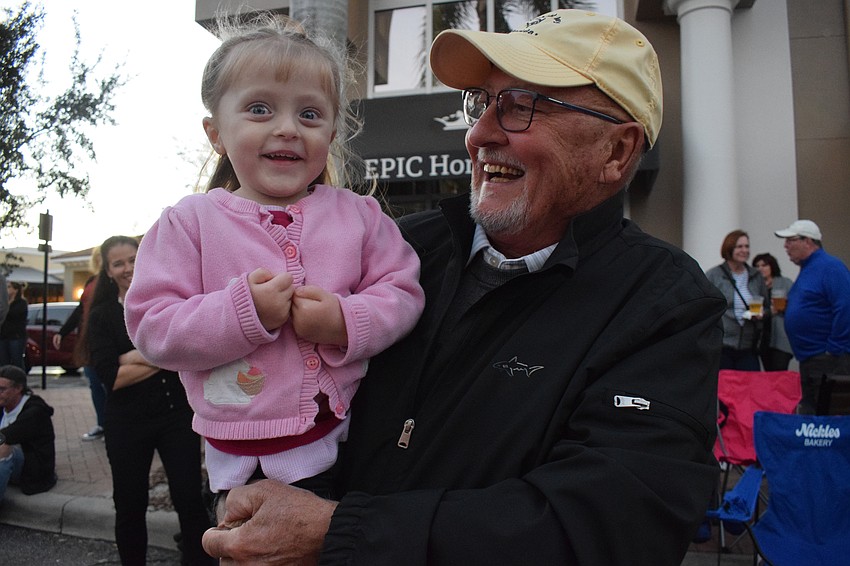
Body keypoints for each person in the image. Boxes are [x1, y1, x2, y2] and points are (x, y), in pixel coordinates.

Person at [202, 9, 727, 565]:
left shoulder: (663, 303)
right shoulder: (400, 250)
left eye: (522, 106)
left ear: (617, 153)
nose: (478, 133)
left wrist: (341, 533)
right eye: (483, 101)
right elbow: (274, 386)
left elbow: (615, 523)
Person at [124, 14, 424, 511]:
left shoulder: (360, 216)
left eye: (310, 114)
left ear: (331, 132)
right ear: (216, 132)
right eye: (260, 109)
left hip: (346, 444)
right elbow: (152, 326)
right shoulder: (188, 223)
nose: (287, 128)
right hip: (235, 461)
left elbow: (404, 290)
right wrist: (244, 313)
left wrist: (346, 321)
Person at [86, 236, 214, 566]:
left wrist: (132, 357)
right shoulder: (101, 316)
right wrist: (162, 351)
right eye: (118, 263)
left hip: (175, 418)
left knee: (189, 498)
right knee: (130, 504)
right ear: (108, 271)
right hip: (127, 424)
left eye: (132, 258)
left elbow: (187, 349)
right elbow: (112, 377)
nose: (128, 268)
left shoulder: (168, 303)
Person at [775, 219, 850, 413]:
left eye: (790, 240)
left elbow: (845, 307)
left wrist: (834, 348)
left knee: (830, 415)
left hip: (827, 358)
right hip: (809, 358)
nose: (785, 246)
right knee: (812, 416)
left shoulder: (831, 267)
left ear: (807, 241)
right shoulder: (808, 269)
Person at [53, 246, 106, 441]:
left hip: (106, 342)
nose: (102, 260)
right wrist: (62, 332)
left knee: (110, 384)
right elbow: (79, 310)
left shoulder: (114, 282)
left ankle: (116, 426)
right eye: (98, 257)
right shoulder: (91, 281)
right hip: (87, 343)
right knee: (94, 384)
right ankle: (102, 424)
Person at [705, 230, 768, 371]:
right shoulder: (714, 275)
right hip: (723, 345)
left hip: (749, 345)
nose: (744, 250)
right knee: (725, 390)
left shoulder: (756, 276)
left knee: (750, 388)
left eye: (747, 246)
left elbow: (766, 306)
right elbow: (704, 307)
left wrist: (762, 314)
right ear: (729, 248)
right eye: (739, 247)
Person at [0, 364, 57, 504]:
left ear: (18, 388)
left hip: (33, 469)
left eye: (2, 389)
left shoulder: (34, 411)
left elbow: (7, 436)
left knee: (5, 446)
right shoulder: (3, 403)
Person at [753, 252, 794, 371]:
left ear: (772, 266)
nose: (760, 268)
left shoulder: (785, 282)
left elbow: (795, 306)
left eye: (764, 265)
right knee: (768, 373)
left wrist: (783, 307)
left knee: (780, 370)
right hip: (763, 335)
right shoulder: (755, 285)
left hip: (781, 335)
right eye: (757, 266)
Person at [0, 281, 28, 371]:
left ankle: (20, 382)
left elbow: (12, 314)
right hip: (3, 336)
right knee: (4, 362)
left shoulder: (21, 303)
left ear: (15, 290)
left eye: (9, 287)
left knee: (17, 361)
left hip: (16, 336)